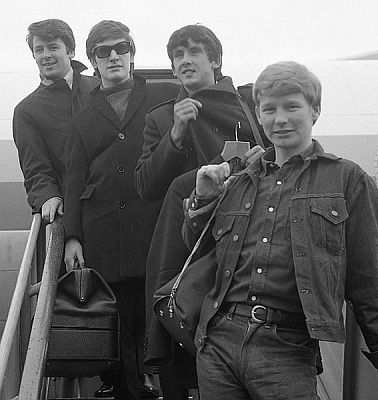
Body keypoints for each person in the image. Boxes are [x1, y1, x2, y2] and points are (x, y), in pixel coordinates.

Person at [182, 61, 378, 399]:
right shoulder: (238, 181)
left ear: (315, 110)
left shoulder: (347, 180)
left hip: (286, 347)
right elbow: (199, 251)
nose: (279, 118)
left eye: (292, 106)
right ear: (258, 114)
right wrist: (201, 201)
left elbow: (366, 281)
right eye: (269, 109)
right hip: (218, 344)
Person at [134, 24, 267, 400]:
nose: (185, 61)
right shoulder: (160, 118)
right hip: (180, 248)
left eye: (194, 52)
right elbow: (145, 186)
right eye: (178, 55)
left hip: (240, 241)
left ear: (216, 60)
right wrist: (175, 134)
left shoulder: (248, 105)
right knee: (178, 333)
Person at [62, 20, 179, 400]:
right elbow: (73, 178)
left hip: (154, 223)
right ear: (93, 62)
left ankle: (166, 386)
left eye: (121, 48)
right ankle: (131, 391)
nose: (113, 56)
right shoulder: (82, 116)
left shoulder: (165, 95)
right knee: (118, 317)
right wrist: (73, 237)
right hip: (104, 227)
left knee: (160, 309)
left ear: (132, 53)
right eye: (103, 51)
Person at [13, 19, 99, 222]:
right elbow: (36, 168)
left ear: (70, 51)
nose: (46, 55)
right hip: (72, 210)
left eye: (53, 47)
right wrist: (48, 196)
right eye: (39, 49)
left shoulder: (99, 89)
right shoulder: (26, 110)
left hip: (113, 203)